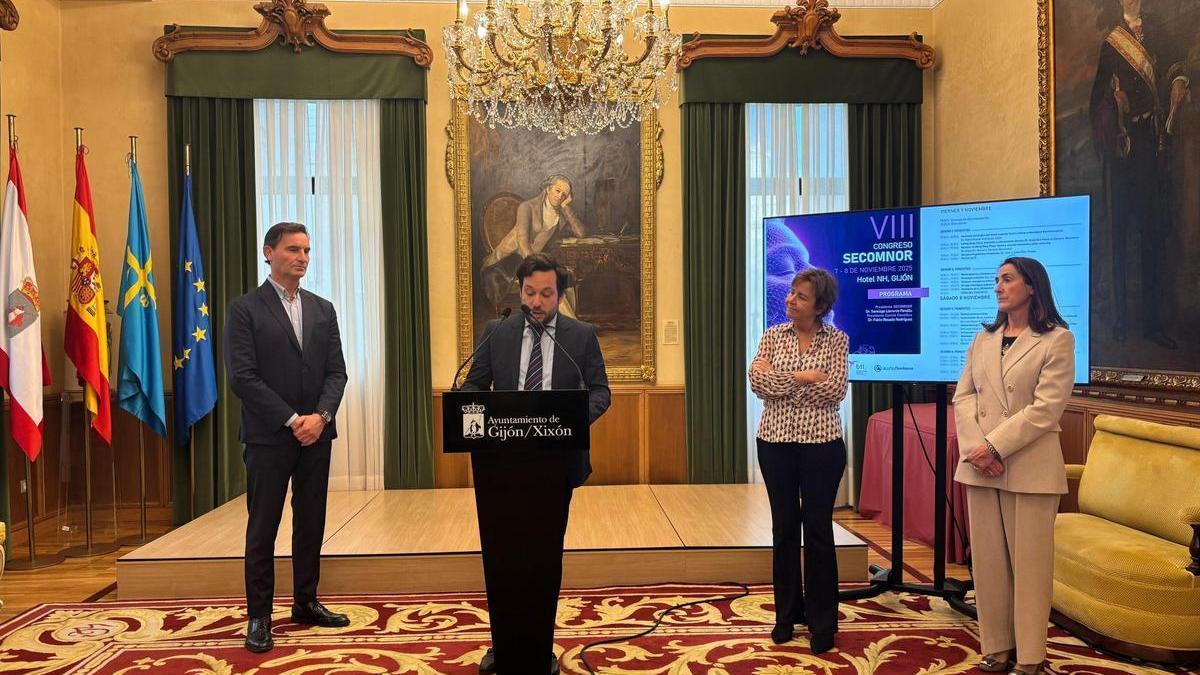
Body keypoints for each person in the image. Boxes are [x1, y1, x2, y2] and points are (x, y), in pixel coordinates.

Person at [461, 253, 611, 674]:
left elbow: (601, 391)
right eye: (530, 292)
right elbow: (474, 384)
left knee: (542, 560)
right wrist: (470, 408)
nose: (536, 302)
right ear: (520, 290)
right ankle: (503, 648)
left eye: (546, 294)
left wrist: (571, 420)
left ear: (560, 295)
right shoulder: (497, 332)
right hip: (500, 467)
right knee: (502, 559)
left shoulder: (581, 336)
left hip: (553, 467)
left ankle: (539, 649)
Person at [224, 222, 348, 654]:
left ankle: (306, 602)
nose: (302, 258)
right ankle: (259, 616)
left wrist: (321, 418)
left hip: (317, 435)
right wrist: (293, 419)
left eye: (307, 250)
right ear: (268, 252)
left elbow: (337, 372)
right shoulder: (245, 309)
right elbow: (243, 377)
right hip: (269, 437)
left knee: (311, 522)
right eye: (293, 249)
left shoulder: (323, 309)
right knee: (263, 528)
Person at [953, 257, 1075, 675]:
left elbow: (1046, 408)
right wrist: (977, 449)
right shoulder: (982, 339)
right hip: (980, 466)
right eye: (996, 280)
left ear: (1032, 286)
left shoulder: (1057, 339)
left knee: (1031, 567)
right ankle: (997, 647)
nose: (998, 287)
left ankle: (1030, 657)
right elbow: (964, 397)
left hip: (1030, 467)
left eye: (1007, 279)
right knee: (988, 565)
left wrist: (995, 446)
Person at [748, 267, 849, 653]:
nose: (790, 299)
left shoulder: (837, 340)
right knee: (784, 529)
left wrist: (781, 379)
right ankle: (786, 616)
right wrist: (805, 377)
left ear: (820, 306)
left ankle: (823, 622)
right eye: (791, 292)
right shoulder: (772, 336)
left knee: (819, 530)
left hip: (822, 446)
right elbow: (758, 383)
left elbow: (835, 391)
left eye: (801, 296)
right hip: (775, 444)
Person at [1089, 0, 1187, 349]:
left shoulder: (1156, 29)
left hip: (1150, 146)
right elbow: (1096, 104)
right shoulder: (1110, 44)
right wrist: (1113, 104)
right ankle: (1120, 321)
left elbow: (1176, 63)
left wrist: (1178, 81)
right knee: (1118, 236)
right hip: (1122, 149)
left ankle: (1151, 323)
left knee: (1152, 234)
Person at [479, 175, 587, 316]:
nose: (560, 196)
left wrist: (566, 207)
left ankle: (567, 323)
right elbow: (522, 242)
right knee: (549, 281)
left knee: (566, 279)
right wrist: (537, 267)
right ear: (548, 189)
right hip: (509, 261)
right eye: (557, 190)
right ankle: (573, 325)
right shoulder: (527, 207)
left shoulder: (560, 213)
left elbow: (581, 233)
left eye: (564, 194)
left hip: (534, 259)